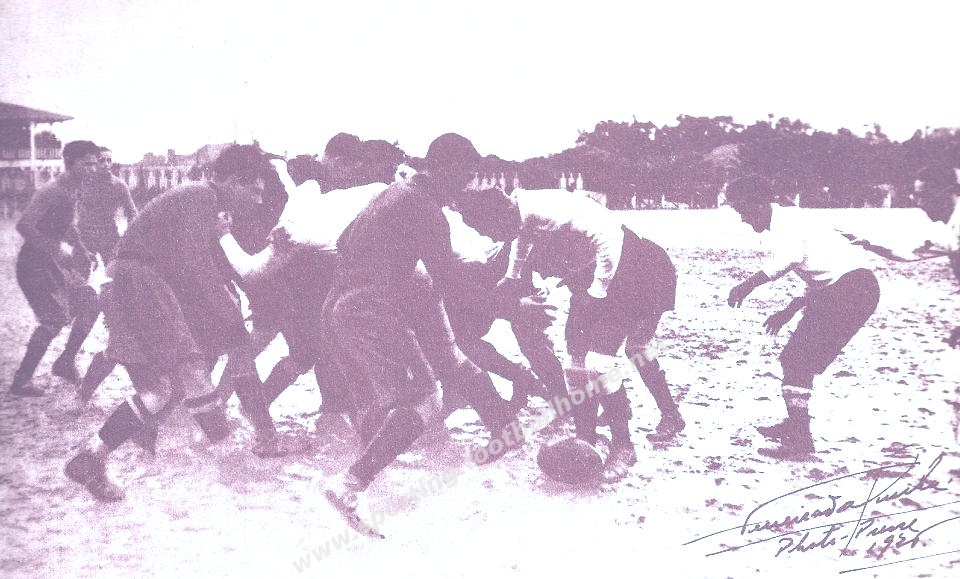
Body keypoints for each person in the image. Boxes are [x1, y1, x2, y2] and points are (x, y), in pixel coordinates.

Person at [319, 133, 519, 533]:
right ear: (443, 168)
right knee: (427, 399)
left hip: (350, 297)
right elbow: (451, 281)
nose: (465, 185)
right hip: (366, 306)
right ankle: (349, 485)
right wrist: (508, 306)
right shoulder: (425, 209)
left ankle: (505, 430)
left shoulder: (394, 192)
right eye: (463, 176)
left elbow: (343, 242)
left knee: (450, 360)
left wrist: (400, 272)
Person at [64, 144, 281, 501]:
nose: (258, 200)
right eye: (253, 191)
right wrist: (231, 319)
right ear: (231, 181)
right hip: (140, 280)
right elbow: (198, 270)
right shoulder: (201, 197)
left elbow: (198, 267)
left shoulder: (200, 201)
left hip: (129, 280)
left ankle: (93, 456)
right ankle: (233, 463)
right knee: (191, 373)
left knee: (161, 390)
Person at [452, 185, 682, 482]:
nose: (492, 239)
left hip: (632, 269)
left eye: (489, 231)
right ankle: (585, 437)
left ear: (501, 215)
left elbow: (609, 235)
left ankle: (624, 445)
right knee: (575, 364)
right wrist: (511, 277)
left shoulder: (545, 209)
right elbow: (521, 239)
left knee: (603, 362)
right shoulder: (521, 215)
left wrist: (597, 293)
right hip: (593, 276)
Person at [725, 174, 880, 460]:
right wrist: (789, 310)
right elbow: (820, 273)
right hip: (850, 288)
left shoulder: (788, 223)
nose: (743, 219)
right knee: (796, 360)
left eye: (743, 209)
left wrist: (746, 286)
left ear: (759, 203)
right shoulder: (790, 220)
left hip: (852, 290)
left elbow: (789, 259)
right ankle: (796, 426)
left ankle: (799, 439)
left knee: (797, 360)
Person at [9, 140, 100, 396]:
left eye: (94, 165)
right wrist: (55, 249)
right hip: (33, 266)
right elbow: (24, 225)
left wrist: (81, 248)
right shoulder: (52, 190)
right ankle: (21, 381)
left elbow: (66, 225)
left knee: (90, 302)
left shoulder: (73, 190)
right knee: (53, 319)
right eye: (87, 165)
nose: (93, 170)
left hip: (51, 263)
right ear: (70, 162)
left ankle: (65, 361)